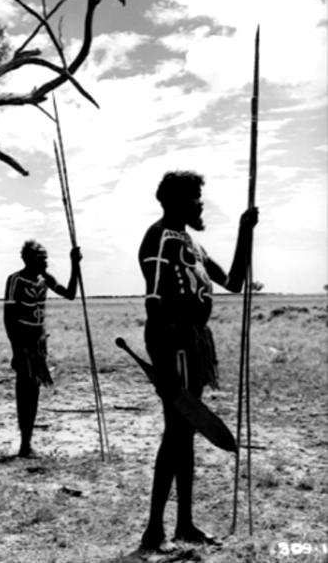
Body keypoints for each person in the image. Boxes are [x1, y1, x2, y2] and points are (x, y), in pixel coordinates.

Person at [138, 170, 258, 551]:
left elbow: (234, 282)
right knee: (176, 432)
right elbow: (154, 302)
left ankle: (185, 524)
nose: (200, 203)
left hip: (193, 344)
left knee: (186, 432)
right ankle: (154, 531)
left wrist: (245, 232)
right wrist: (163, 363)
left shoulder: (192, 243)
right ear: (174, 201)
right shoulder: (159, 238)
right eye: (193, 197)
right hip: (173, 342)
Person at [4, 241, 82, 458]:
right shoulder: (15, 280)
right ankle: (25, 444)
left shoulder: (44, 278)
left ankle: (27, 444)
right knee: (25, 390)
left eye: (46, 258)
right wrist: (16, 349)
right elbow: (8, 317)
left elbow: (70, 294)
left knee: (34, 390)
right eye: (41, 258)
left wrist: (74, 265)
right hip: (23, 341)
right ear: (28, 259)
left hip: (39, 342)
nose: (46, 262)